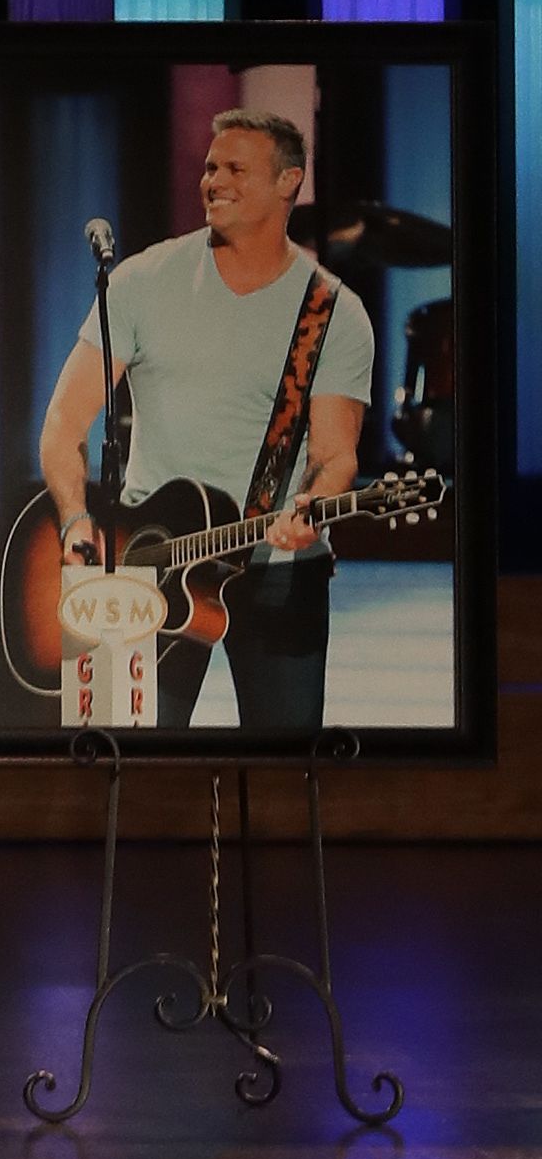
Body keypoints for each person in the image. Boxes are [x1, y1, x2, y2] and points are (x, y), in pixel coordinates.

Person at [35, 105, 374, 738]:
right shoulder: (138, 280)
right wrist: (77, 519)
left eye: (235, 168)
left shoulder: (335, 313)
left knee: (285, 769)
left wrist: (313, 505)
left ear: (288, 183)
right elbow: (63, 424)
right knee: (116, 762)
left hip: (278, 570)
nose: (212, 180)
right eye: (209, 166)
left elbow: (337, 456)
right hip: (141, 566)